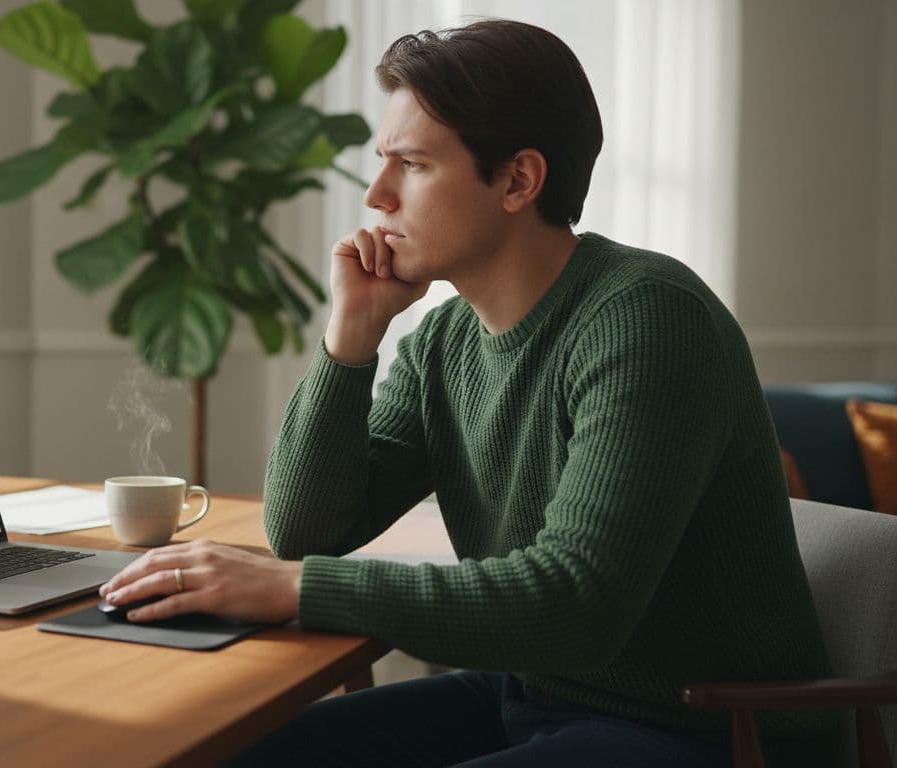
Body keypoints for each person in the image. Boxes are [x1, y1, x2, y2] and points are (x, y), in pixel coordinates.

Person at [99, 19, 835, 767]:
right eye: (381, 162)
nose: (377, 197)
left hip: (703, 732)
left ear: (517, 180)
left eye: (411, 165)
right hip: (534, 698)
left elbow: (574, 605)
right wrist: (351, 335)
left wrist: (297, 590)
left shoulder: (648, 320)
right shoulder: (445, 339)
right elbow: (307, 529)